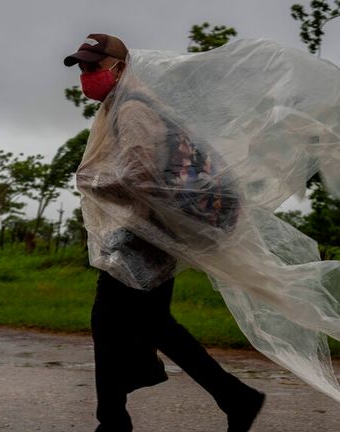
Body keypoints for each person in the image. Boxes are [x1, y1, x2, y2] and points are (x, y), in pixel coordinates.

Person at [65, 33, 265, 432]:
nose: (86, 74)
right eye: (82, 67)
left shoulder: (133, 109)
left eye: (93, 65)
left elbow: (142, 176)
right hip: (153, 232)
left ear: (119, 67)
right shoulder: (130, 104)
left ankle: (115, 421)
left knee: (111, 322)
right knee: (151, 325)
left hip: (145, 235)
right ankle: (234, 398)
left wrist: (92, 181)